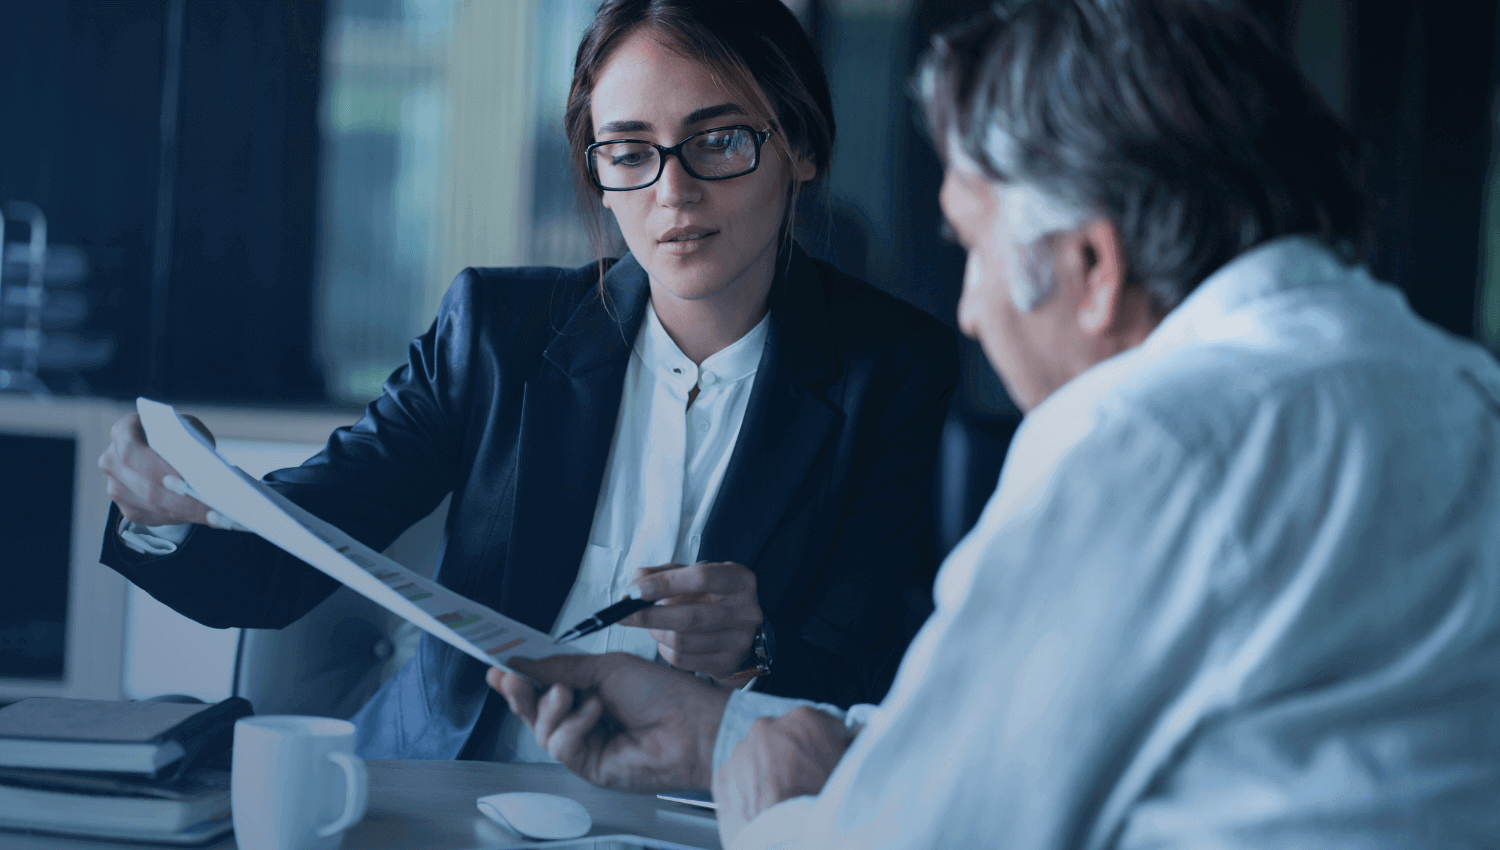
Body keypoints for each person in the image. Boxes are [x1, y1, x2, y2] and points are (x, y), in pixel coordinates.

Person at [488, 0, 1500, 846]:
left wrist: (768, 810)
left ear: (1092, 268)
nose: (969, 310)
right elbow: (1043, 735)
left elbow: (921, 838)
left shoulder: (1144, 442)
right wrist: (724, 733)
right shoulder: (1453, 387)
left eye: (974, 247)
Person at [97, 0, 957, 761]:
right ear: (598, 175)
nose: (674, 193)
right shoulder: (495, 333)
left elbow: (875, 674)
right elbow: (283, 562)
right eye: (630, 152)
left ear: (800, 146)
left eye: (719, 141)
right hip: (449, 794)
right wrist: (167, 508)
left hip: (702, 814)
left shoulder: (891, 371)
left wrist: (755, 648)